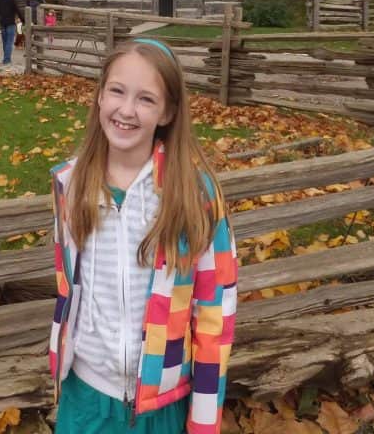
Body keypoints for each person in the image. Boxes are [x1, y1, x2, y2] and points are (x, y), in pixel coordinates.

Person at [49, 39, 238, 434]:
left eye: (146, 99)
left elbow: (215, 315)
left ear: (168, 111)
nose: (126, 110)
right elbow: (69, 291)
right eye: (117, 91)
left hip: (163, 406)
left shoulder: (195, 195)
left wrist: (204, 423)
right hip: (86, 398)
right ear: (99, 96)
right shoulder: (71, 185)